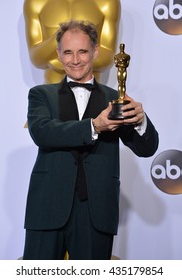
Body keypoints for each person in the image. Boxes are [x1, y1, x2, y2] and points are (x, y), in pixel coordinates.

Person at [23, 19, 159, 260]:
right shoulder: (41, 94)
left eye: (83, 51)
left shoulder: (113, 98)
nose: (75, 60)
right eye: (68, 52)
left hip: (97, 212)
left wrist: (140, 120)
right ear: (58, 54)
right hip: (47, 207)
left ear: (95, 51)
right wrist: (95, 125)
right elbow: (43, 132)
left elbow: (147, 149)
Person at [23, 0, 120, 83]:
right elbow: (36, 58)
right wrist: (61, 37)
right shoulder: (35, 3)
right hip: (52, 91)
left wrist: (60, 59)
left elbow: (109, 57)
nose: (75, 60)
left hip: (92, 94)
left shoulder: (107, 2)